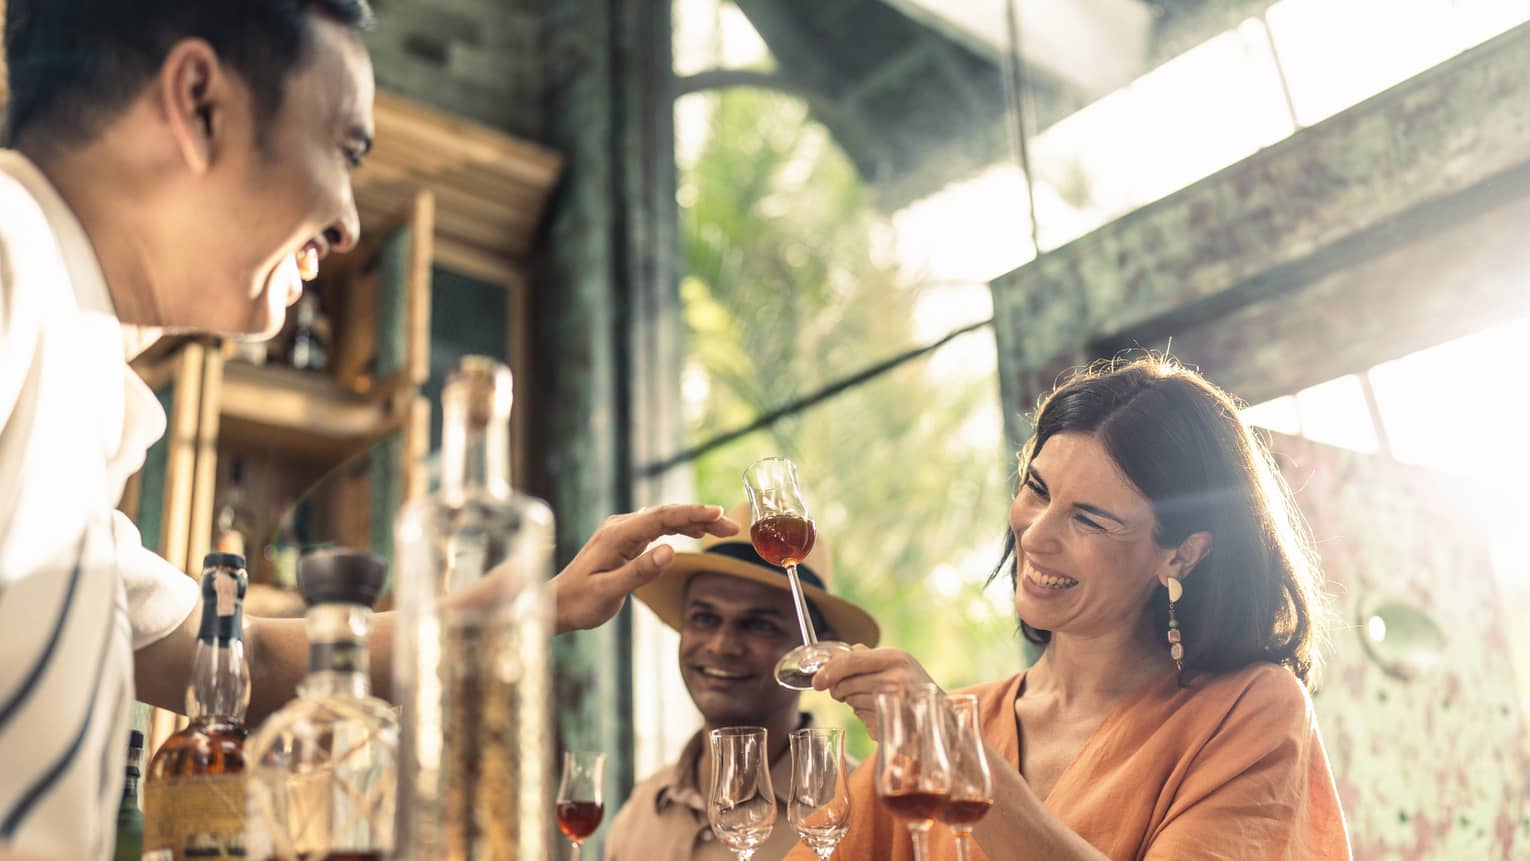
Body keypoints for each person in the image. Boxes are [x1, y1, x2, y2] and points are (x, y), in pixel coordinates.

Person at [0, 3, 736, 859]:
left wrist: (539, 606)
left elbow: (248, 662)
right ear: (200, 103)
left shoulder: (59, 352)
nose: (348, 222)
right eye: (345, 149)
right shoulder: (11, 256)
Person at [791, 356, 1351, 861]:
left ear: (1182, 554)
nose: (1036, 535)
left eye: (1088, 519)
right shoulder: (953, 722)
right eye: (1037, 490)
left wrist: (962, 761)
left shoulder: (1249, 713)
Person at [605, 503, 880, 861]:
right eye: (704, 617)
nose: (722, 645)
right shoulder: (641, 808)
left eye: (759, 625)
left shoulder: (862, 810)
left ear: (815, 646)